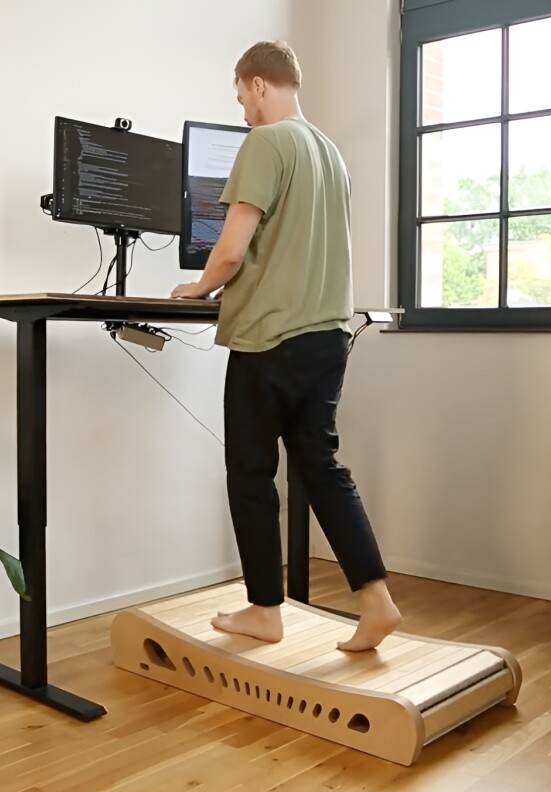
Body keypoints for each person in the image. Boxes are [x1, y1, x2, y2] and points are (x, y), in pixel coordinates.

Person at [171, 41, 400, 652]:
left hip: (270, 338)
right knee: (322, 468)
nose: (243, 110)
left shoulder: (266, 142)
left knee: (250, 474)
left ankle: (265, 611)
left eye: (241, 97)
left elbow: (230, 250)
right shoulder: (329, 152)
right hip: (328, 335)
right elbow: (292, 249)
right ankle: (376, 601)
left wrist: (198, 287)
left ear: (258, 84)